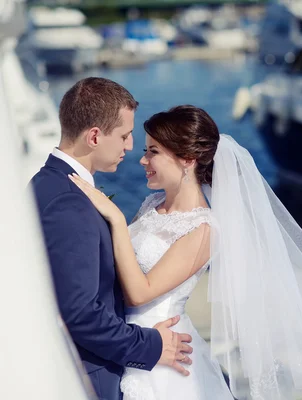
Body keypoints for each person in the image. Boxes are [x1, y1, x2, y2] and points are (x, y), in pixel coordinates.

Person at [69, 105, 302, 400]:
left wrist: (116, 220)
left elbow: (139, 292)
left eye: (153, 152)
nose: (143, 160)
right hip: (128, 338)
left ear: (187, 159)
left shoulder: (204, 229)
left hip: (163, 352)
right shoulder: (151, 205)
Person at [29, 78, 194, 400]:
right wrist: (150, 345)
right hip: (88, 378)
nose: (130, 146)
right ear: (94, 136)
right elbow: (79, 312)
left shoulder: (47, 183)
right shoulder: (69, 202)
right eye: (124, 135)